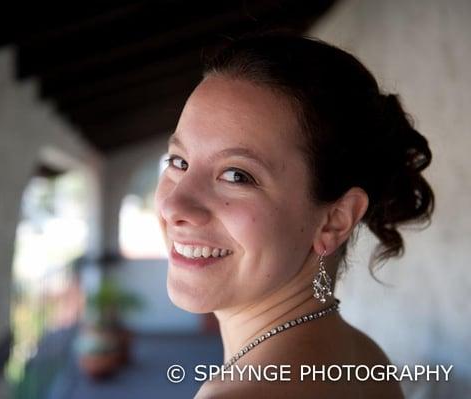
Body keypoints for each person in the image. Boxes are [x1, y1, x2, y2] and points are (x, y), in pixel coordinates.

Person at [154, 34, 434, 398]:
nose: (174, 205)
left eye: (237, 175)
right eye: (179, 162)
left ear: (335, 219)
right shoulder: (363, 359)